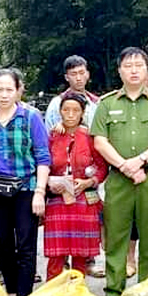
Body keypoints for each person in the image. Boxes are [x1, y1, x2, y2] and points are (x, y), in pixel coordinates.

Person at [90, 47, 148, 296]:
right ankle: (113, 292)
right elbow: (99, 141)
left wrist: (140, 161)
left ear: (146, 70)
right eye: (128, 66)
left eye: (138, 65)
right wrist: (125, 166)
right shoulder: (106, 104)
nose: (133, 70)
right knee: (117, 236)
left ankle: (146, 295)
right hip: (119, 179)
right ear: (119, 71)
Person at [0, 69, 51, 296]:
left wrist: (40, 192)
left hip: (26, 189)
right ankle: (10, 293)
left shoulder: (30, 118)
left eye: (9, 89)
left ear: (18, 90)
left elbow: (43, 157)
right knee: (3, 244)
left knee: (26, 244)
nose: (4, 94)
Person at [44, 91, 108, 279]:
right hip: (58, 202)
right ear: (60, 112)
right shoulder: (52, 136)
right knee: (56, 255)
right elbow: (42, 164)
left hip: (84, 201)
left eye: (75, 110)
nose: (70, 114)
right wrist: (49, 183)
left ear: (82, 113)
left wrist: (89, 181)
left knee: (80, 256)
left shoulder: (90, 137)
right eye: (66, 110)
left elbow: (102, 168)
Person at [44, 55, 100, 131]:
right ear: (67, 77)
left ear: (87, 74)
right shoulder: (56, 103)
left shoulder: (96, 103)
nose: (78, 78)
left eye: (81, 73)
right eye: (73, 74)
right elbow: (49, 132)